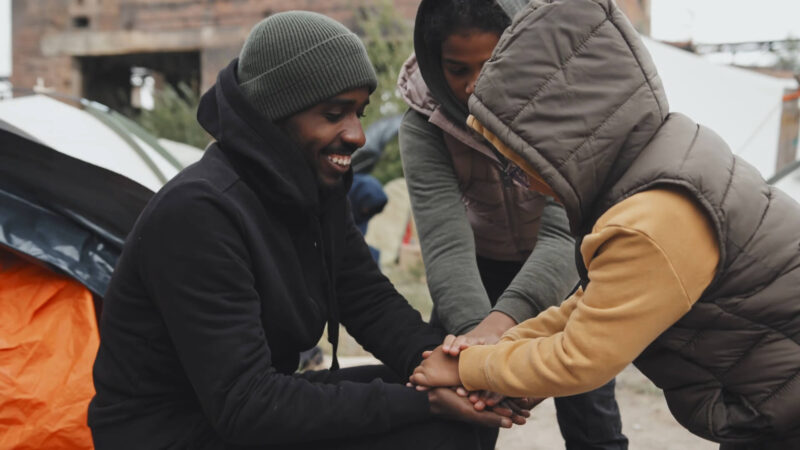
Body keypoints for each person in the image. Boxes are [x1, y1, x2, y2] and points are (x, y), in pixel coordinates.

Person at [88, 12, 527, 450]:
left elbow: (366, 298)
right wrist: (427, 403)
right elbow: (247, 405)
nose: (357, 135)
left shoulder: (312, 187)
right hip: (174, 432)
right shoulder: (200, 213)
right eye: (334, 114)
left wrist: (460, 371)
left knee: (467, 408)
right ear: (274, 115)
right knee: (432, 423)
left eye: (359, 112)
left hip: (248, 408)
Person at [408, 1, 800, 449]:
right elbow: (580, 306)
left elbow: (581, 356)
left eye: (521, 164)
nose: (528, 184)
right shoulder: (649, 162)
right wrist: (490, 351)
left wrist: (467, 368)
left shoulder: (648, 222)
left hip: (785, 404)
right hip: (772, 395)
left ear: (557, 133)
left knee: (594, 427)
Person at [398, 0, 627, 448]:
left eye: (491, 63)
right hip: (474, 275)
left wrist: (504, 334)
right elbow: (446, 244)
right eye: (456, 68)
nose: (473, 86)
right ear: (433, 60)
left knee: (591, 416)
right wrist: (479, 350)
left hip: (569, 272)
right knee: (461, 414)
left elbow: (565, 232)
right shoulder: (425, 125)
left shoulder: (568, 106)